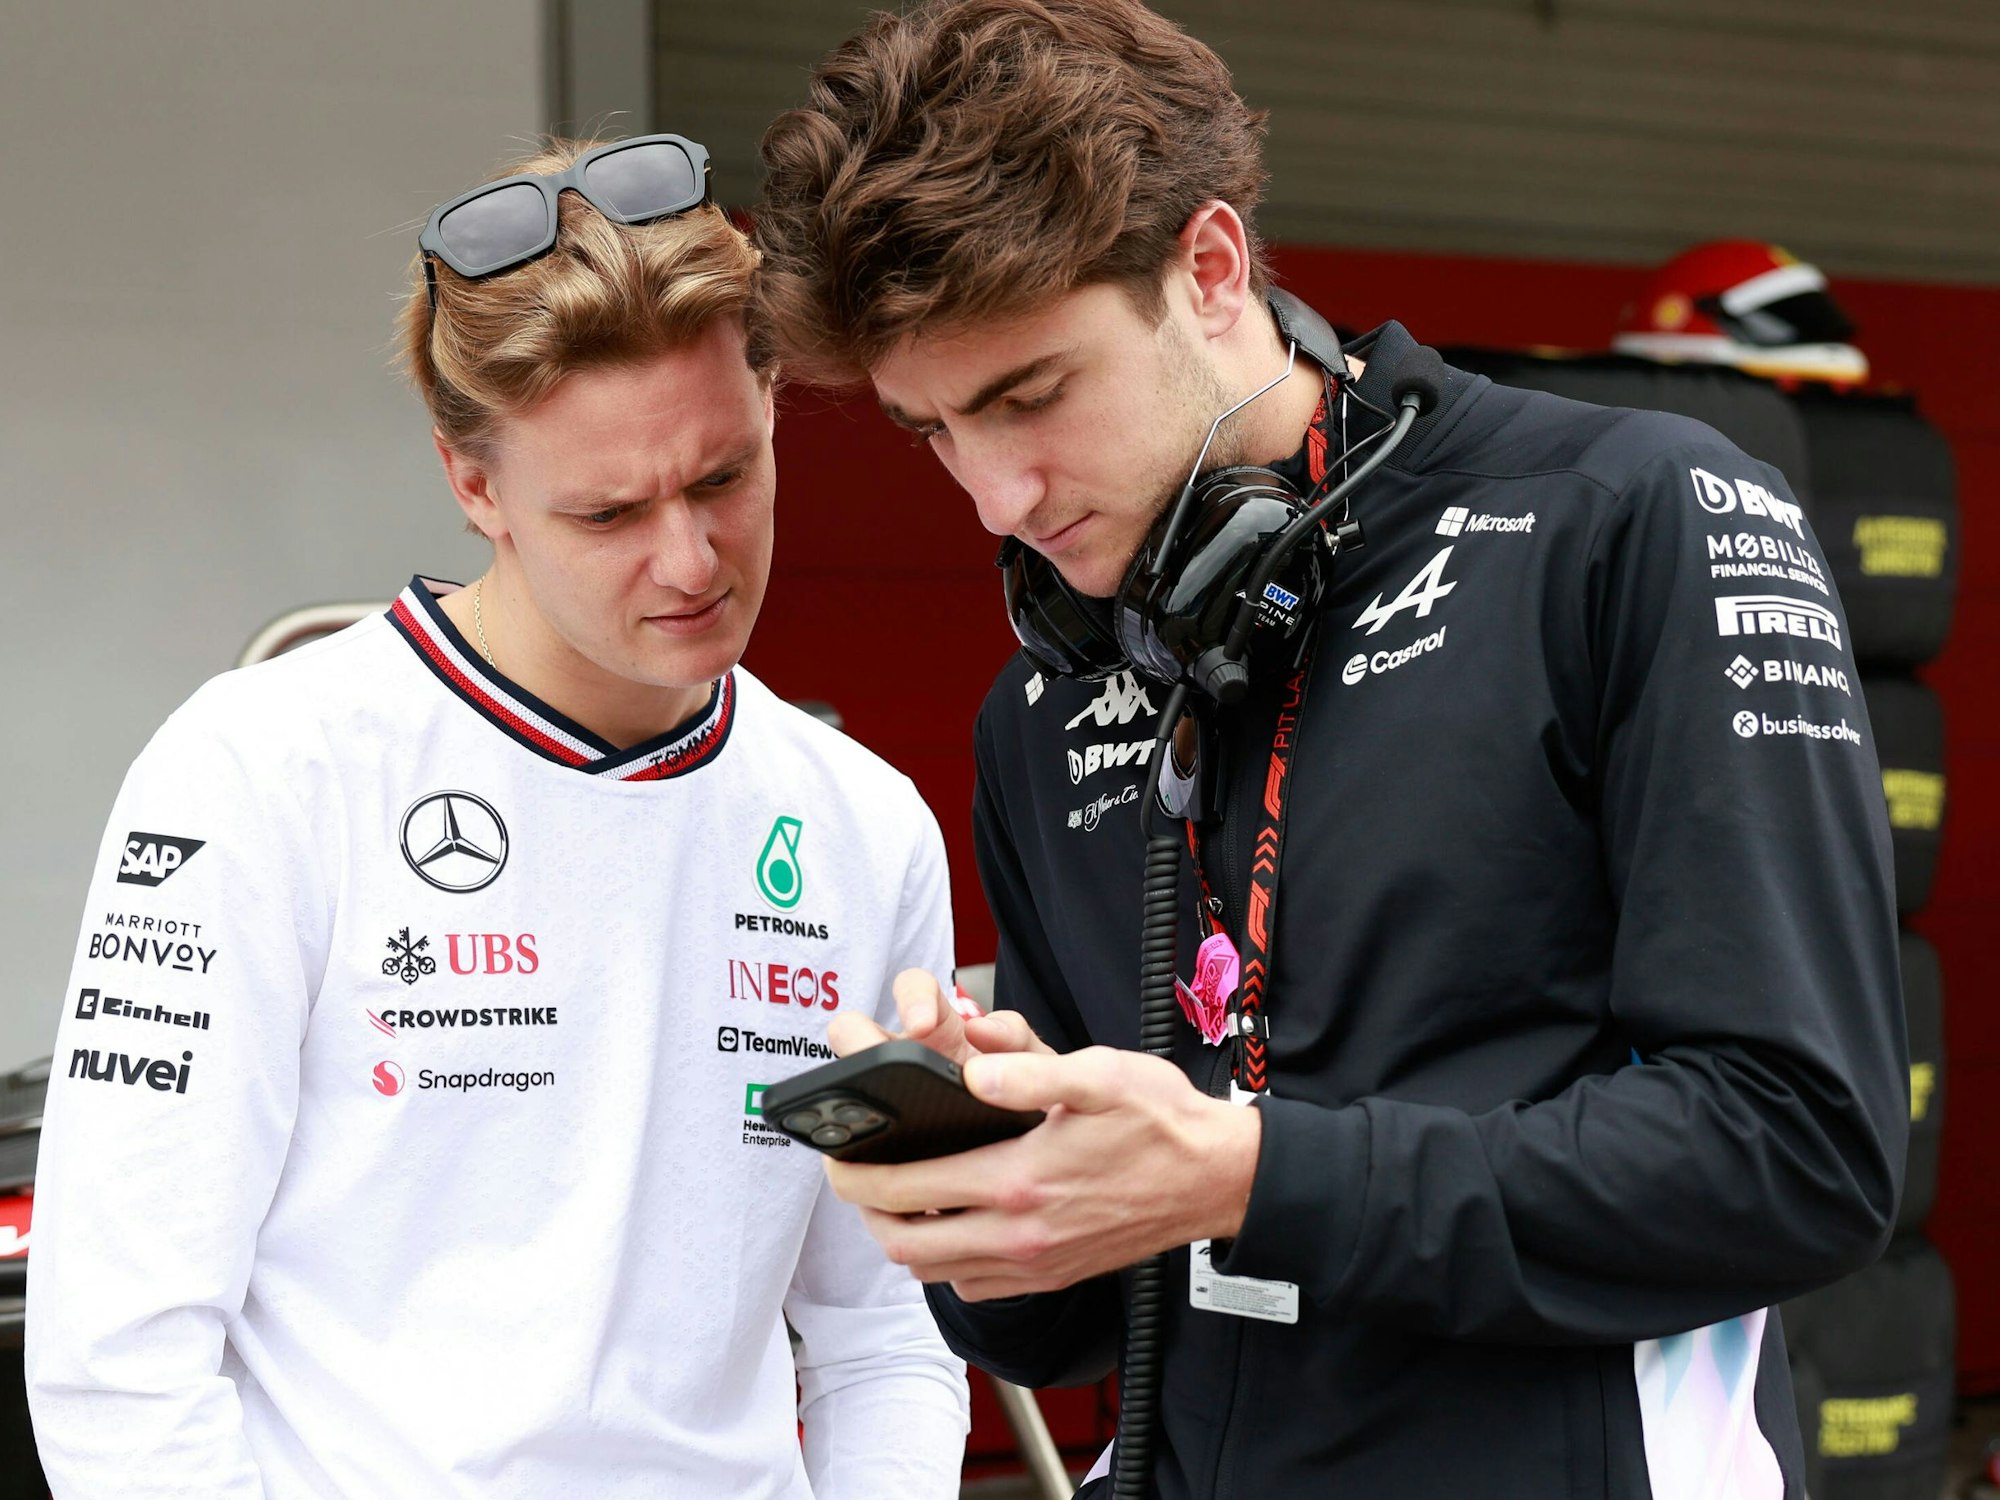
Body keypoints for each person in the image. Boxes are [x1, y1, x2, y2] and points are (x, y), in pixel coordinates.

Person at [750, 4, 1907, 1496]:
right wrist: (991, 1176)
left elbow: (1800, 1157)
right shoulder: (1041, 707)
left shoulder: (1631, 520)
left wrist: (1245, 1173)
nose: (997, 497)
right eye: (934, 433)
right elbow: (1060, 1336)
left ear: (1212, 268)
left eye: (1031, 395)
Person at [26, 134, 968, 1498]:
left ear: (772, 402)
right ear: (474, 487)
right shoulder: (262, 772)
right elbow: (120, 1358)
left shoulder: (864, 827)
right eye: (607, 511)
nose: (691, 561)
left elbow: (884, 1328)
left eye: (723, 478)